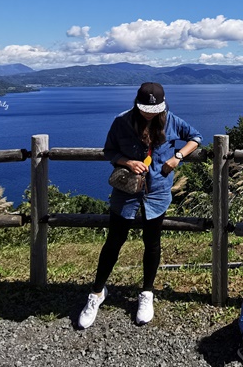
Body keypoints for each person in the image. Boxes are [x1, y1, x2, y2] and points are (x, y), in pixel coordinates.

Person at [78, 82, 202, 329]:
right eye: (145, 108)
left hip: (157, 191)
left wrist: (177, 157)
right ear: (137, 103)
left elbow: (196, 138)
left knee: (152, 243)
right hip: (126, 192)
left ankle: (147, 293)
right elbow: (109, 151)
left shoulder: (171, 121)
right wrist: (128, 162)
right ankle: (97, 292)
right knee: (114, 242)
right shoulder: (121, 121)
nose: (149, 113)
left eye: (153, 109)